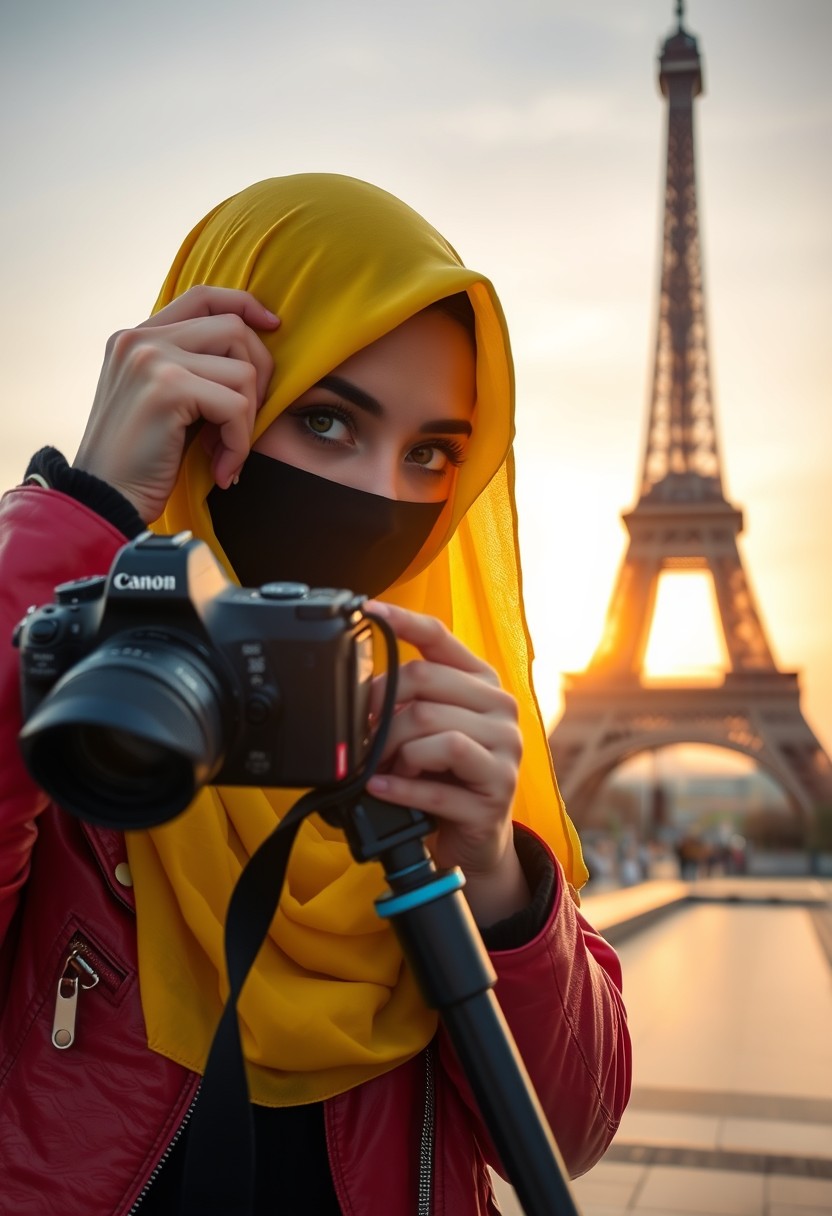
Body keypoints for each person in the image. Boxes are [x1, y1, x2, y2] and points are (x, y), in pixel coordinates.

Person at [0, 174, 631, 1214]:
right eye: (330, 422)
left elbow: (570, 1133)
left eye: (432, 454)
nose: (385, 494)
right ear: (201, 418)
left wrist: (497, 883)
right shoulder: (74, 735)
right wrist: (90, 510)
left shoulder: (429, 746)